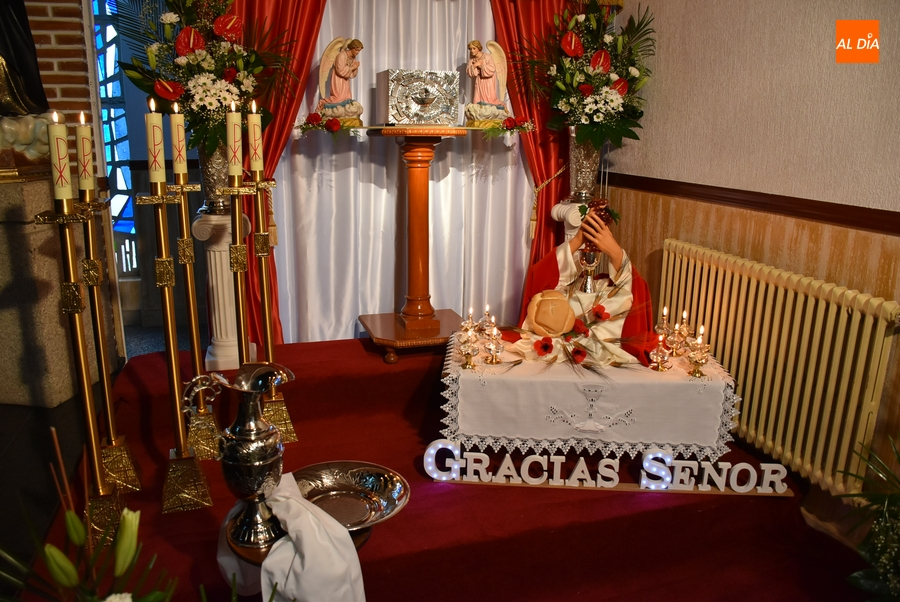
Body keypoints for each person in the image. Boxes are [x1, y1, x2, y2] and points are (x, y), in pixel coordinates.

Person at [514, 209, 655, 366]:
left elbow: (637, 290)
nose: (590, 255)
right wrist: (577, 240)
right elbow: (539, 276)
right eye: (585, 251)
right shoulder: (563, 290)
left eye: (595, 252)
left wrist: (615, 252)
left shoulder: (616, 295)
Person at [318, 39, 363, 110]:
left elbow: (351, 75)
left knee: (346, 100)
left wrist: (355, 68)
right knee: (337, 99)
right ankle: (322, 103)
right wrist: (352, 67)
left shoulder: (353, 58)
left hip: (345, 80)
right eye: (357, 50)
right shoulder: (341, 55)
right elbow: (340, 70)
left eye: (359, 51)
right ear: (352, 48)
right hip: (338, 79)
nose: (358, 53)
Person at [466, 40, 503, 108]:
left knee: (488, 100)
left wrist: (481, 66)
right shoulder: (472, 60)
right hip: (479, 81)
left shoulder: (487, 57)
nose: (472, 50)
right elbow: (469, 73)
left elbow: (492, 69)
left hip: (488, 81)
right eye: (470, 49)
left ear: (478, 48)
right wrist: (475, 65)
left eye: (474, 48)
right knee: (477, 101)